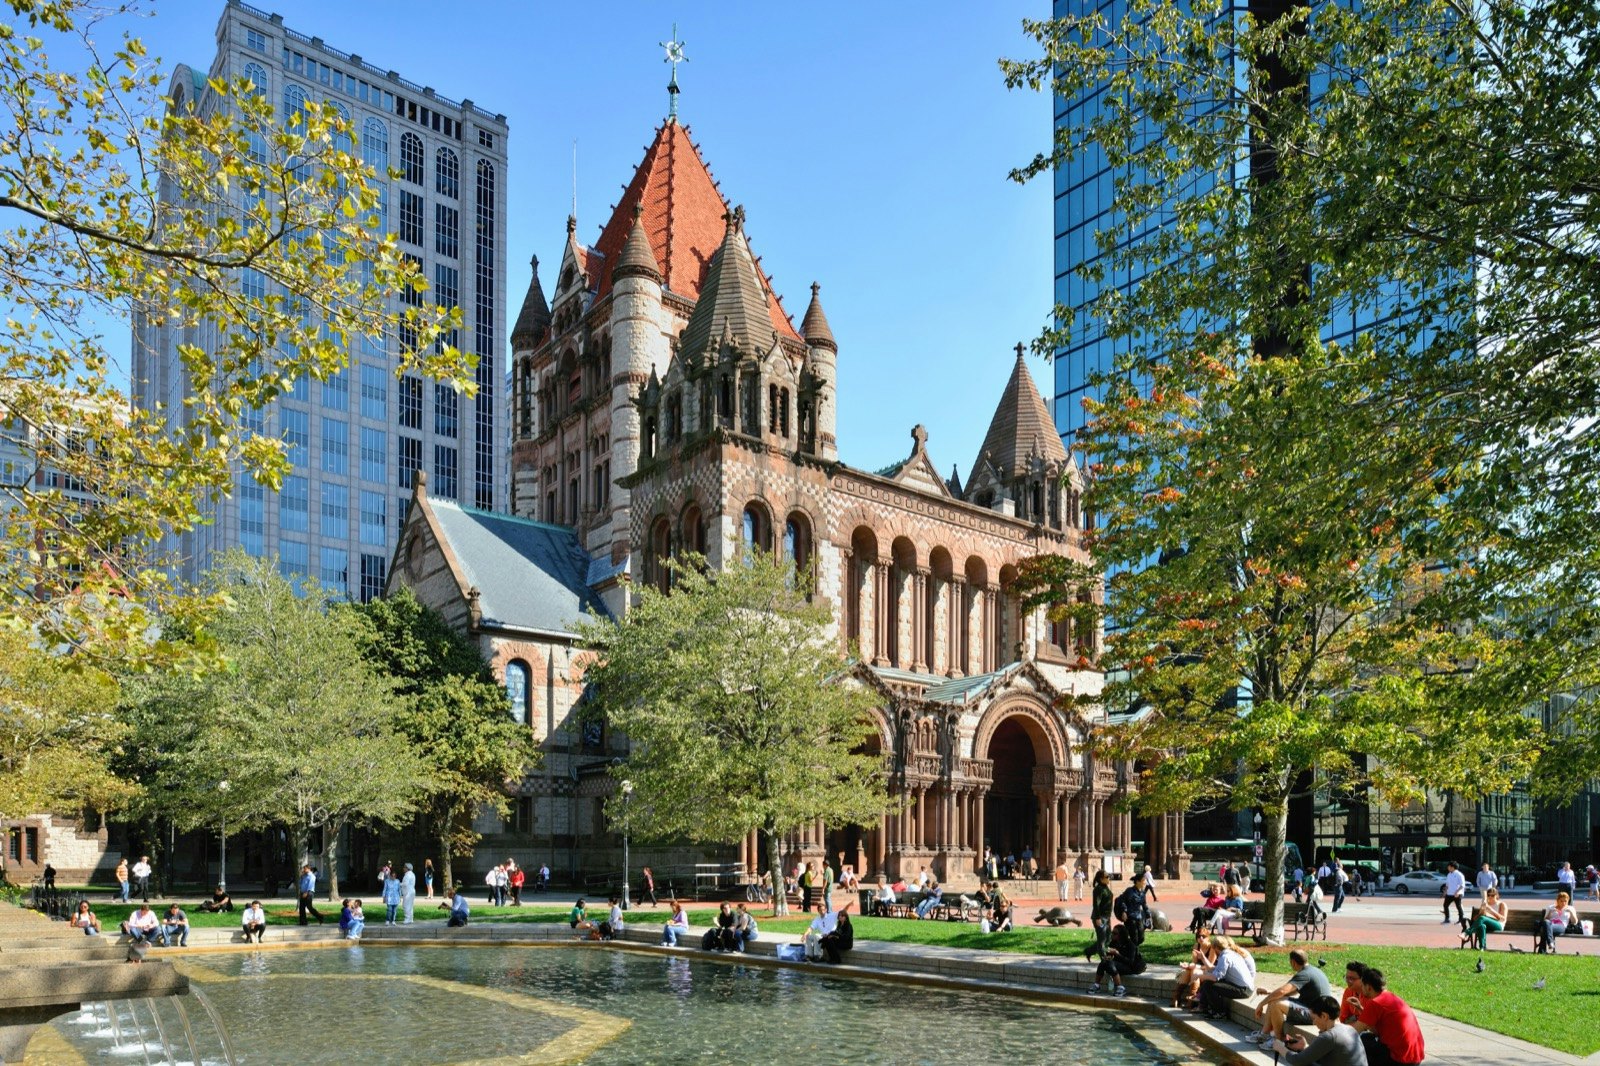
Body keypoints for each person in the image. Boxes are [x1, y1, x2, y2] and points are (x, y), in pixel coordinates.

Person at [1248, 949, 1334, 1046]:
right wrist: (1269, 992)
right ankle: (1264, 1034)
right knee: (1274, 999)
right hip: (1313, 1009)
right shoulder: (1312, 970)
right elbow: (1290, 991)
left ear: (1293, 962)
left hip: (1315, 1015)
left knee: (1276, 1003)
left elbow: (1282, 991)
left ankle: (1279, 1040)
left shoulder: (1304, 974)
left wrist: (1261, 1004)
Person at [1350, 967, 1424, 1066]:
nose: (1361, 989)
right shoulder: (1390, 997)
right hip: (1415, 1056)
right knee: (1367, 1038)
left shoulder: (1375, 1003)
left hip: (1399, 1059)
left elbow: (1352, 1032)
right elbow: (1376, 1030)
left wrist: (1331, 1032)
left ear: (1368, 987)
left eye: (1362, 986)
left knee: (1359, 1044)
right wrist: (1361, 1009)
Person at [1268, 995, 1369, 1066]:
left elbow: (1297, 1061)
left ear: (1324, 1016)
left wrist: (1280, 1047)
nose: (1313, 1023)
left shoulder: (1329, 1036)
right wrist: (1305, 1048)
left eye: (1314, 1018)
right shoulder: (1349, 1029)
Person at [1196, 934, 1257, 1019]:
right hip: (1245, 988)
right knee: (1209, 982)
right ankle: (1205, 1007)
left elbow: (1216, 977)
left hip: (1244, 990)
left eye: (1213, 948)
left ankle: (1219, 1012)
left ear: (1216, 947)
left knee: (1209, 985)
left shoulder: (1225, 957)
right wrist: (1203, 958)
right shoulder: (1230, 954)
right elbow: (1214, 969)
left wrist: (1199, 976)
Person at [1090, 919, 1146, 996]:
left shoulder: (1130, 945)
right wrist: (1107, 957)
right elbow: (1110, 956)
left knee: (1110, 964)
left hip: (1131, 967)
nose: (1112, 934)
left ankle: (1121, 988)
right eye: (1112, 932)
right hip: (1118, 965)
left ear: (1121, 935)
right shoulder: (1113, 943)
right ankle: (1096, 985)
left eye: (1115, 933)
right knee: (1103, 963)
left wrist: (1117, 954)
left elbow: (1130, 962)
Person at [1172, 931, 1216, 1008]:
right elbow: (1194, 962)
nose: (1201, 938)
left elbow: (1209, 966)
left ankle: (1191, 1001)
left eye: (1203, 936)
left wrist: (1194, 966)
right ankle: (1176, 998)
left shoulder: (1212, 948)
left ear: (1208, 937)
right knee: (1186, 972)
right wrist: (1188, 966)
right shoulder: (1196, 946)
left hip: (1209, 970)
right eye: (1198, 936)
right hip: (1198, 968)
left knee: (1195, 971)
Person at [1085, 869, 1113, 962]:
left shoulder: (1105, 887)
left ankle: (1089, 951)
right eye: (1107, 877)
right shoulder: (1098, 889)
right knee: (1102, 939)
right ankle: (1104, 959)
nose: (1109, 878)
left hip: (1107, 917)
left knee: (1108, 938)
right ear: (1101, 879)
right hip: (1100, 917)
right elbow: (1096, 904)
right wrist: (1097, 918)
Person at [1440, 861, 1467, 927]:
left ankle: (1461, 919)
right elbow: (1447, 884)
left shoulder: (1459, 874)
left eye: (1448, 866)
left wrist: (1457, 892)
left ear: (1452, 867)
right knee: (1445, 905)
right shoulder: (1449, 874)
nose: (1447, 867)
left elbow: (1462, 885)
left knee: (1458, 907)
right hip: (1449, 893)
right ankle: (1447, 918)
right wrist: (1445, 892)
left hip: (1457, 894)